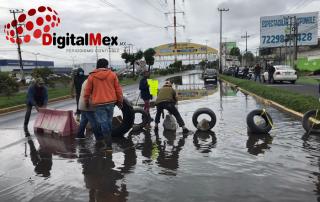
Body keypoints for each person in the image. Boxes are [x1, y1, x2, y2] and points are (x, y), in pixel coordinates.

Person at [84, 58, 123, 151]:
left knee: (103, 122)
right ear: (106, 66)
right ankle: (109, 141)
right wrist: (120, 101)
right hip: (111, 102)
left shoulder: (92, 76)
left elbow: (87, 91)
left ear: (97, 65)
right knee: (108, 121)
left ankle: (108, 144)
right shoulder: (112, 74)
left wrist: (86, 102)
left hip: (98, 103)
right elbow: (118, 89)